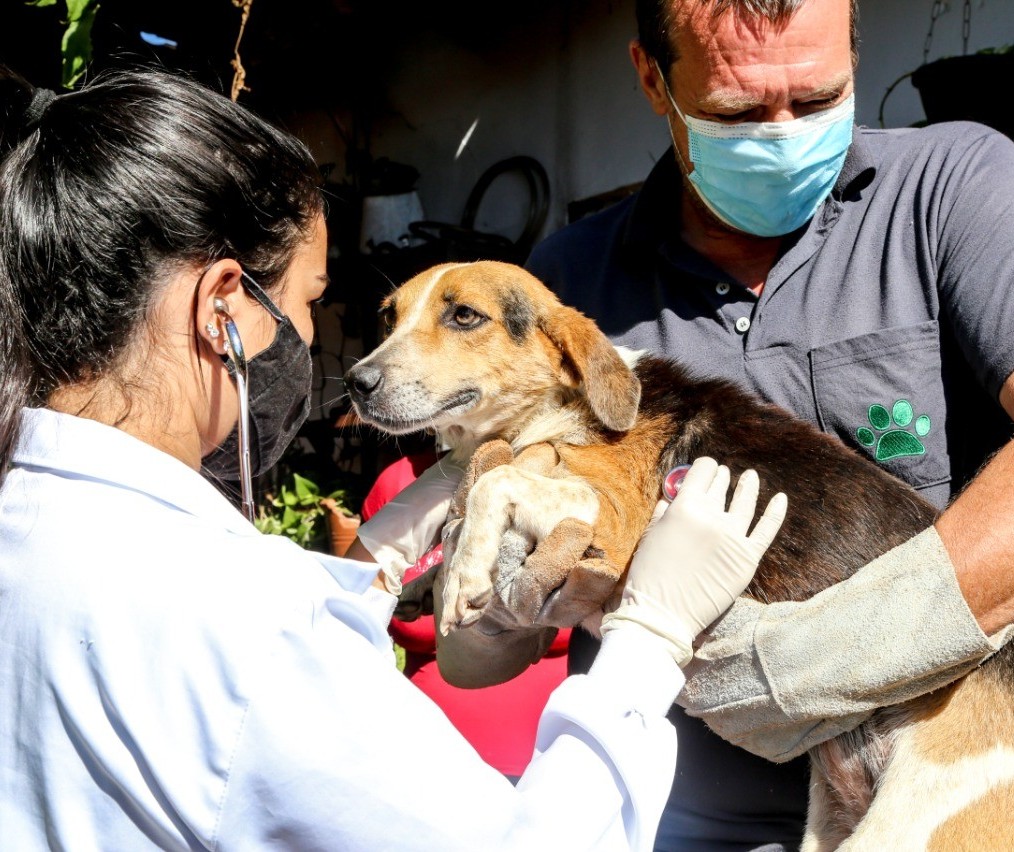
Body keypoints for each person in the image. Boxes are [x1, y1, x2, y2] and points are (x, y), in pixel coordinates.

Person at [0, 65, 789, 850]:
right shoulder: (255, 625)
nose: (341, 355)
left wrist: (372, 574)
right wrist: (649, 641)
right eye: (310, 301)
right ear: (222, 311)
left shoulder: (30, 531)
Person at [523, 0, 1014, 848]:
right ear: (652, 78)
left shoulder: (954, 186)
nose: (784, 134)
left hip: (935, 796)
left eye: (819, 99)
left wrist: (809, 664)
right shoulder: (574, 284)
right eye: (738, 112)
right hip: (679, 819)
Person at [360, 451, 573, 784]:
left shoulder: (575, 483)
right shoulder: (402, 482)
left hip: (555, 767)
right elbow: (351, 616)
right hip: (424, 761)